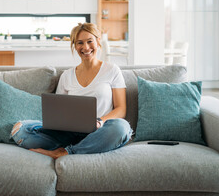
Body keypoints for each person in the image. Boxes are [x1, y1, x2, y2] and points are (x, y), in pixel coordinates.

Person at [10, 23, 132, 159]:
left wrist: (100, 121)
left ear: (98, 42)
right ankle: (80, 147)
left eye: (90, 41)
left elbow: (121, 109)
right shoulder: (67, 76)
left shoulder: (112, 70)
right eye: (80, 43)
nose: (86, 47)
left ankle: (66, 152)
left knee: (121, 128)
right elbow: (58, 112)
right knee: (20, 129)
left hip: (99, 132)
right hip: (69, 133)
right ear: (74, 46)